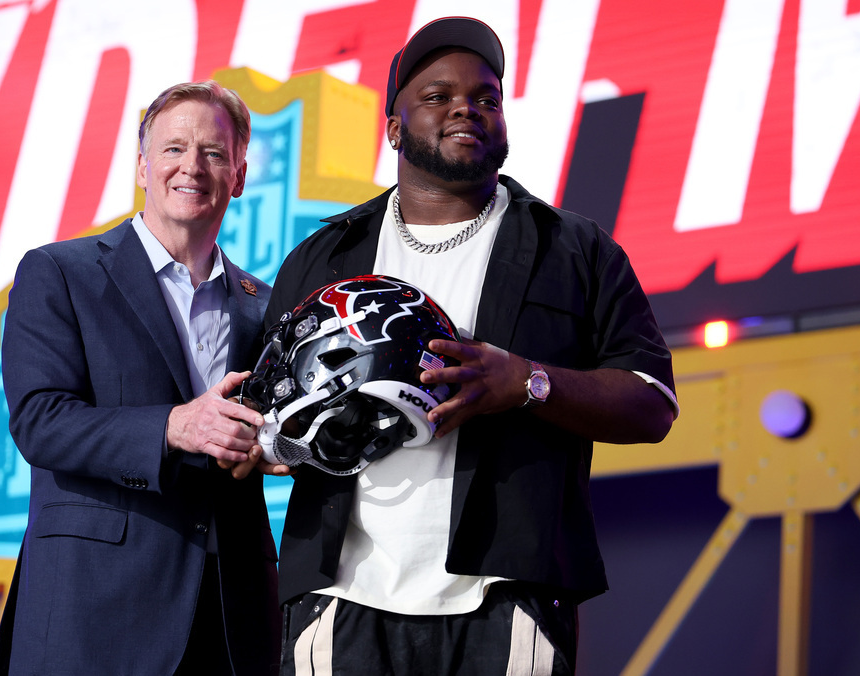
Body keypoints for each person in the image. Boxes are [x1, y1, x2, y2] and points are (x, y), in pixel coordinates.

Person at [263, 17, 680, 675]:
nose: (467, 107)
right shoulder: (323, 259)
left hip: (505, 597)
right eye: (438, 95)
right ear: (395, 127)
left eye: (487, 98)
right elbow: (265, 418)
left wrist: (527, 383)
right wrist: (281, 438)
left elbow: (652, 404)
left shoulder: (575, 250)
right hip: (342, 596)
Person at [0, 80, 281, 676]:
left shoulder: (264, 305)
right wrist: (175, 427)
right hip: (95, 614)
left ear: (240, 176)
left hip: (230, 618)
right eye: (173, 149)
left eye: (214, 153)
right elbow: (40, 422)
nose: (192, 167)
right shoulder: (59, 272)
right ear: (144, 166)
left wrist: (271, 445)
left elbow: (264, 431)